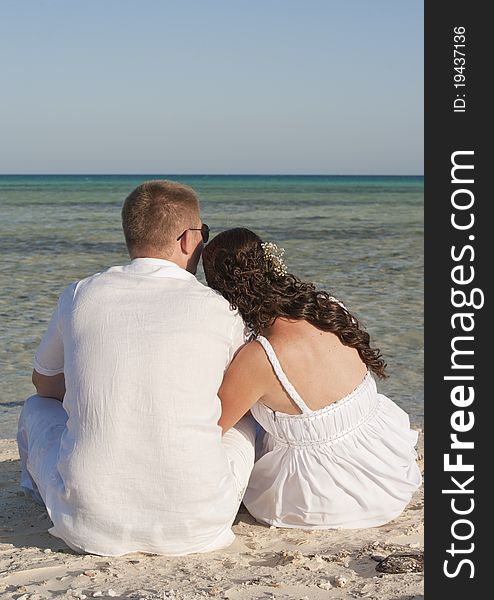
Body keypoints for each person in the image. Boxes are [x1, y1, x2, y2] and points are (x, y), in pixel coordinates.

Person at [17, 181, 256, 556]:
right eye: (203, 235)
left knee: (35, 407)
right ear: (186, 239)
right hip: (198, 522)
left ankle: (36, 490)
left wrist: (95, 395)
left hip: (86, 522)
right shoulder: (219, 308)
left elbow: (43, 383)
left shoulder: (80, 294)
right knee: (246, 414)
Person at [202, 228, 422, 529]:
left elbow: (210, 430)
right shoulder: (328, 308)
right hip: (388, 472)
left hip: (323, 498)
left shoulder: (258, 358)